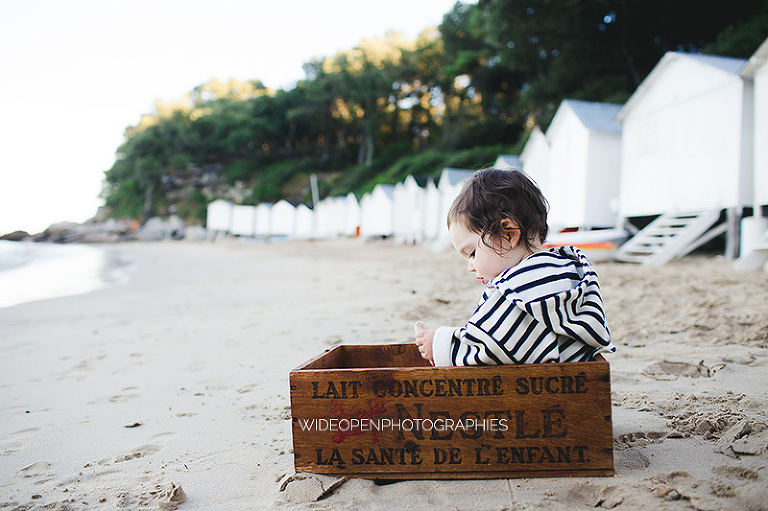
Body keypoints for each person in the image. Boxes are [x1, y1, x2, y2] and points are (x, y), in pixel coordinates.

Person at [414, 168, 615, 366]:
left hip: (549, 383)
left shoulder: (515, 289)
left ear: (508, 235)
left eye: (472, 253)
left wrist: (440, 344)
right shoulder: (568, 270)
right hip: (581, 370)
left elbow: (489, 347)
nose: (470, 267)